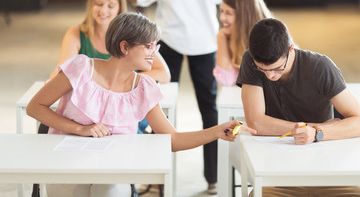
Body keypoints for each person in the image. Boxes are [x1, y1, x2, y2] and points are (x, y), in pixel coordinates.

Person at [26, 12, 257, 197]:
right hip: (68, 165)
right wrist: (80, 129)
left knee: (111, 191)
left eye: (156, 46)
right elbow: (35, 107)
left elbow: (172, 140)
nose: (153, 54)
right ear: (125, 47)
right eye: (148, 47)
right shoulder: (81, 68)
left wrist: (217, 131)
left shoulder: (143, 87)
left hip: (113, 173)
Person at [126, 0, 237, 193]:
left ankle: (159, 178)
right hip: (204, 34)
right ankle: (214, 177)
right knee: (209, 108)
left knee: (159, 107)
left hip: (168, 35)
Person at [237, 18, 360, 197]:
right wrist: (313, 127)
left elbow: (357, 120)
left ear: (291, 49)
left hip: (328, 172)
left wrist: (317, 133)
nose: (270, 76)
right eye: (263, 69)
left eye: (278, 68)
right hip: (277, 174)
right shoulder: (250, 60)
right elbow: (256, 123)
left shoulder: (320, 66)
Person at [49, 0, 170, 84]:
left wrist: (124, 81)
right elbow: (60, 72)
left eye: (110, 6)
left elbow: (163, 74)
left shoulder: (134, 33)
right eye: (99, 4)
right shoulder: (76, 33)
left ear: (119, 8)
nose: (103, 11)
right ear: (91, 4)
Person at [213, 0, 272, 86]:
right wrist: (221, 38)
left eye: (228, 13)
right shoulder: (227, 36)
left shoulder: (270, 38)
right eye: (222, 11)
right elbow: (226, 80)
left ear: (244, 17)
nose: (222, 18)